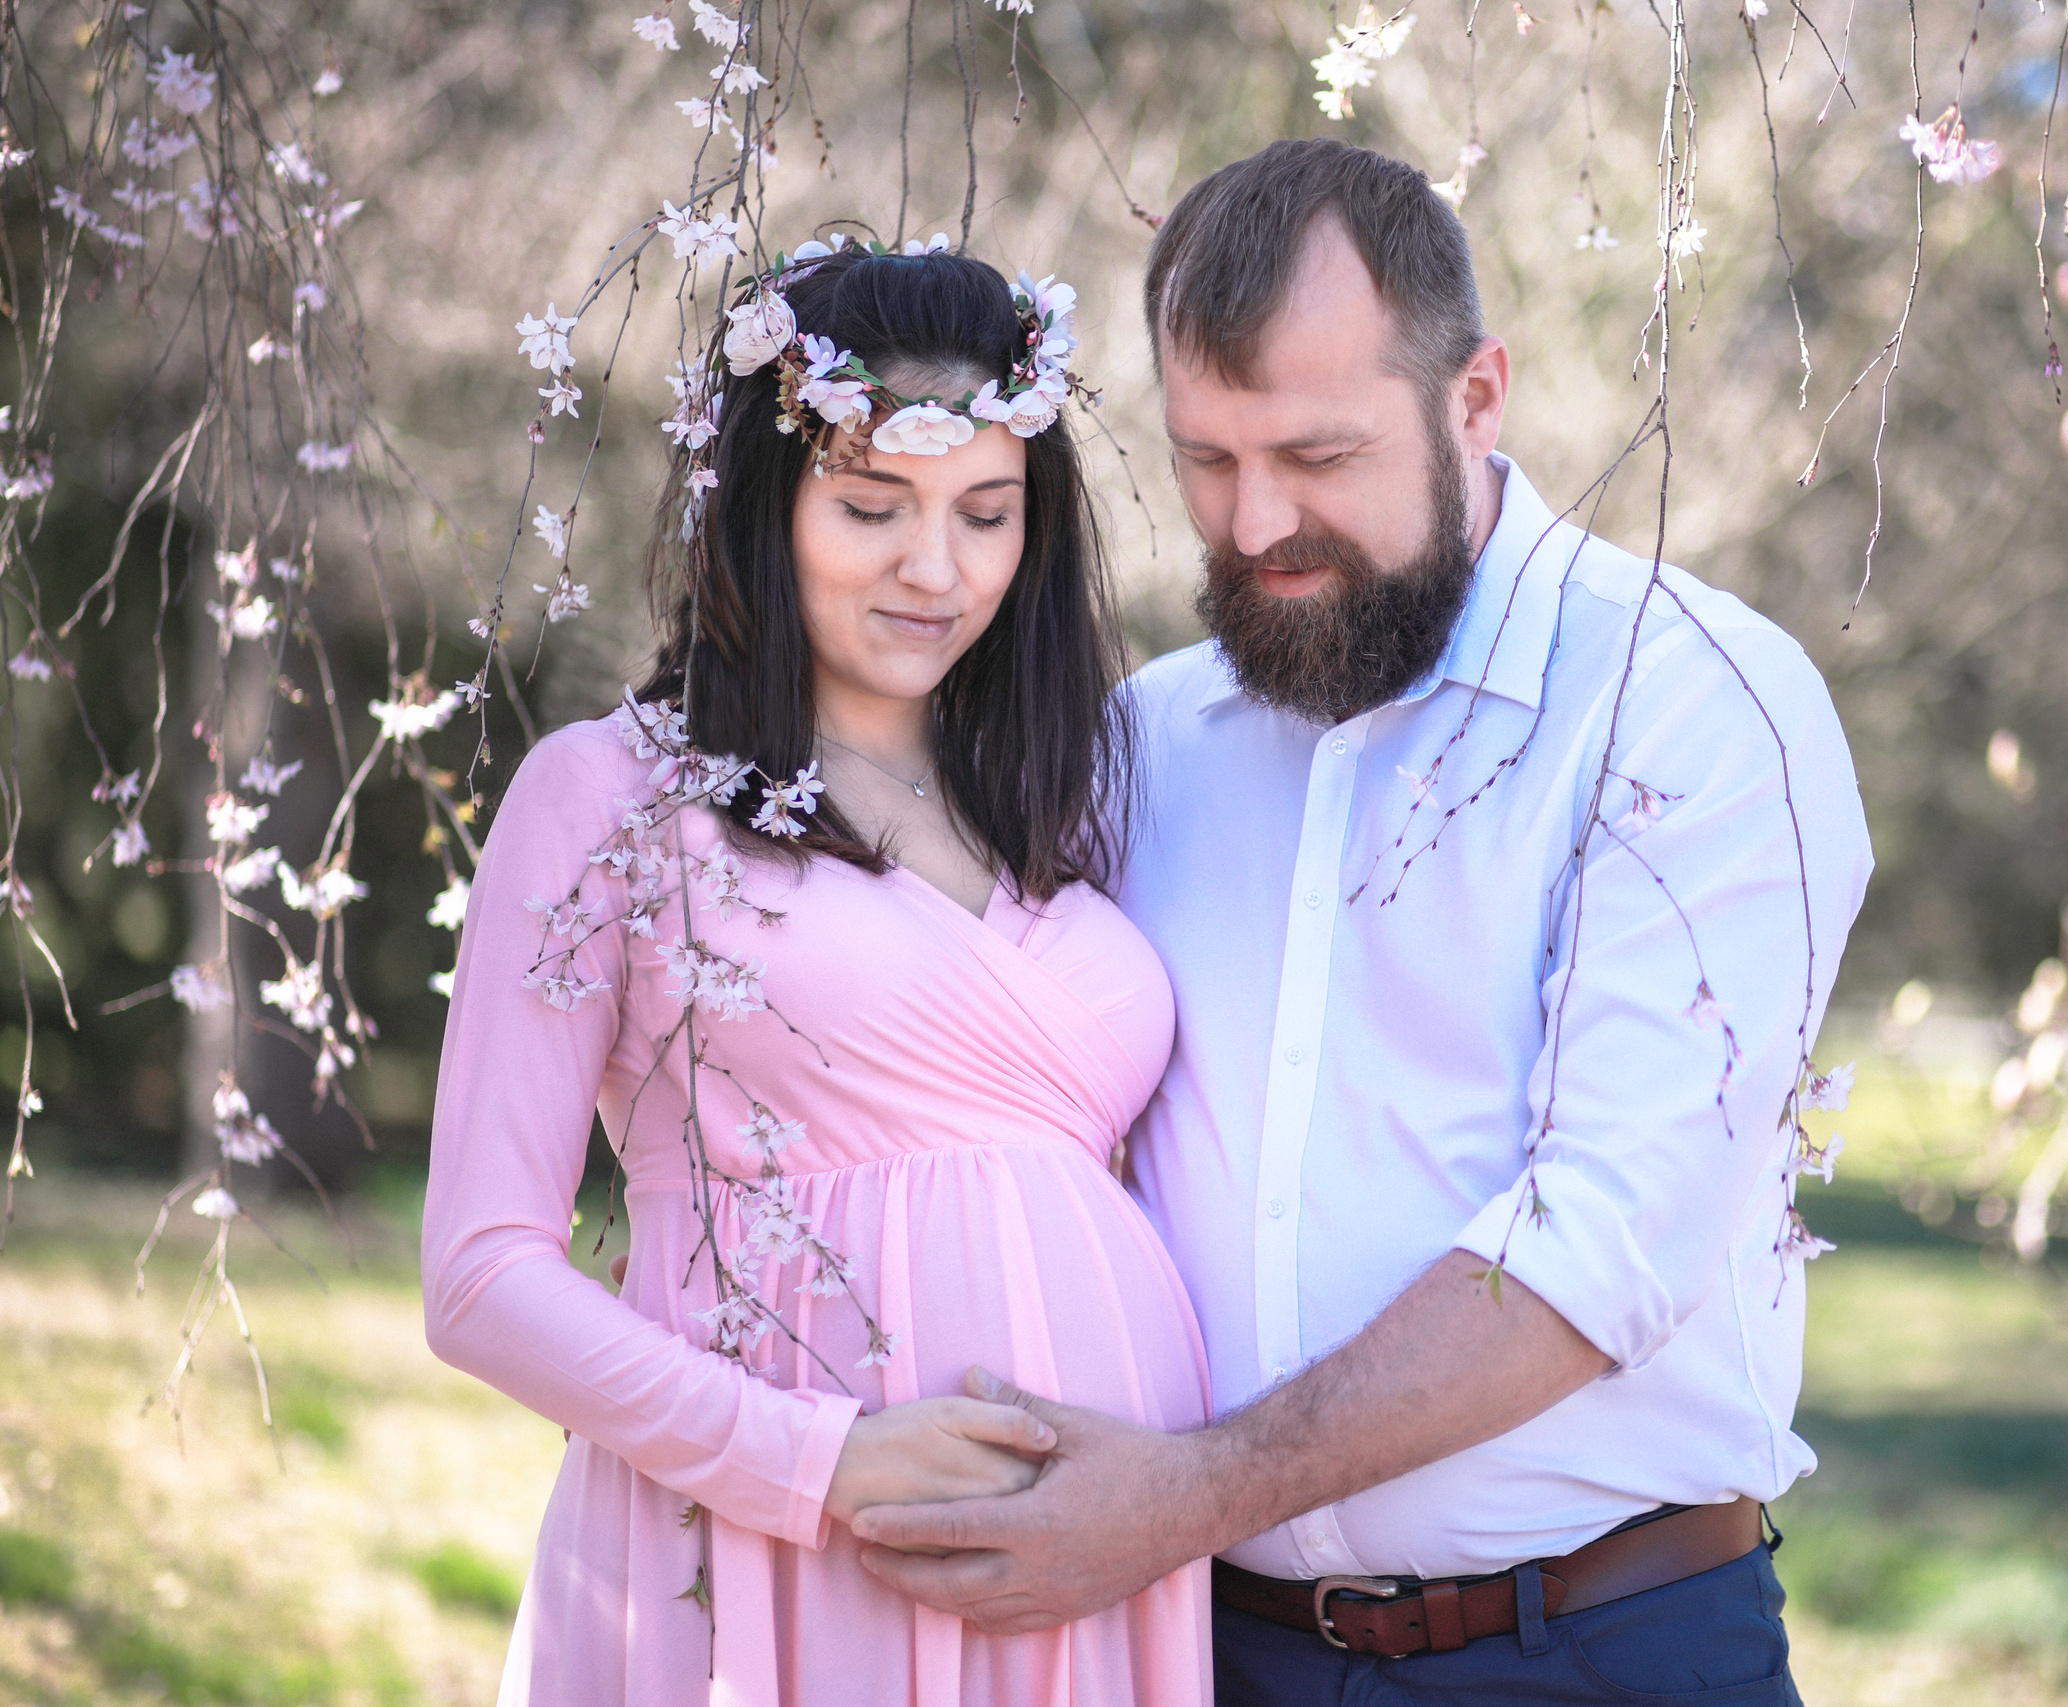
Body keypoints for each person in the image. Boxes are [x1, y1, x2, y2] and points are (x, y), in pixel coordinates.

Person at [850, 140, 1873, 1704]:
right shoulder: (1150, 739)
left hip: (1593, 1650)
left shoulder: (1686, 704)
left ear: (1475, 398)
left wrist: (1178, 1497)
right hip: (1208, 1649)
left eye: (1318, 455)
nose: (1258, 525)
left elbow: (1599, 1249)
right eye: (1207, 459)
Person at [421, 239, 1213, 1705]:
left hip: (1101, 1574)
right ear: (761, 508)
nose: (938, 569)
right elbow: (477, 1276)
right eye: (871, 508)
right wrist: (826, 1462)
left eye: (989, 515)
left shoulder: (1062, 808)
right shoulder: (614, 800)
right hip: (787, 1551)